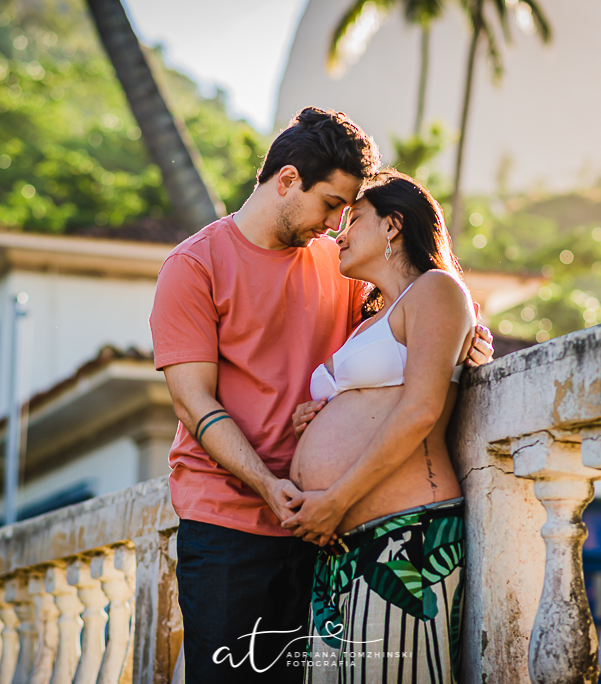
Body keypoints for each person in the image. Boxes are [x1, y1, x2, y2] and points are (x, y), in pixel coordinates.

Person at [149, 108, 493, 683]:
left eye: (347, 212)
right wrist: (269, 485)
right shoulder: (194, 266)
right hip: (230, 526)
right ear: (287, 180)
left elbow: (406, 321)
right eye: (331, 204)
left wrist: (472, 337)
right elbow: (194, 403)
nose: (336, 225)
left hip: (330, 527)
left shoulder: (341, 265)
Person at [284, 170, 474, 684]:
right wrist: (315, 418)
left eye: (354, 219)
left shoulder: (435, 289)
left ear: (392, 225)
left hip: (402, 538)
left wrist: (336, 498)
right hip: (339, 547)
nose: (339, 234)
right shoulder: (372, 320)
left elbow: (421, 410)